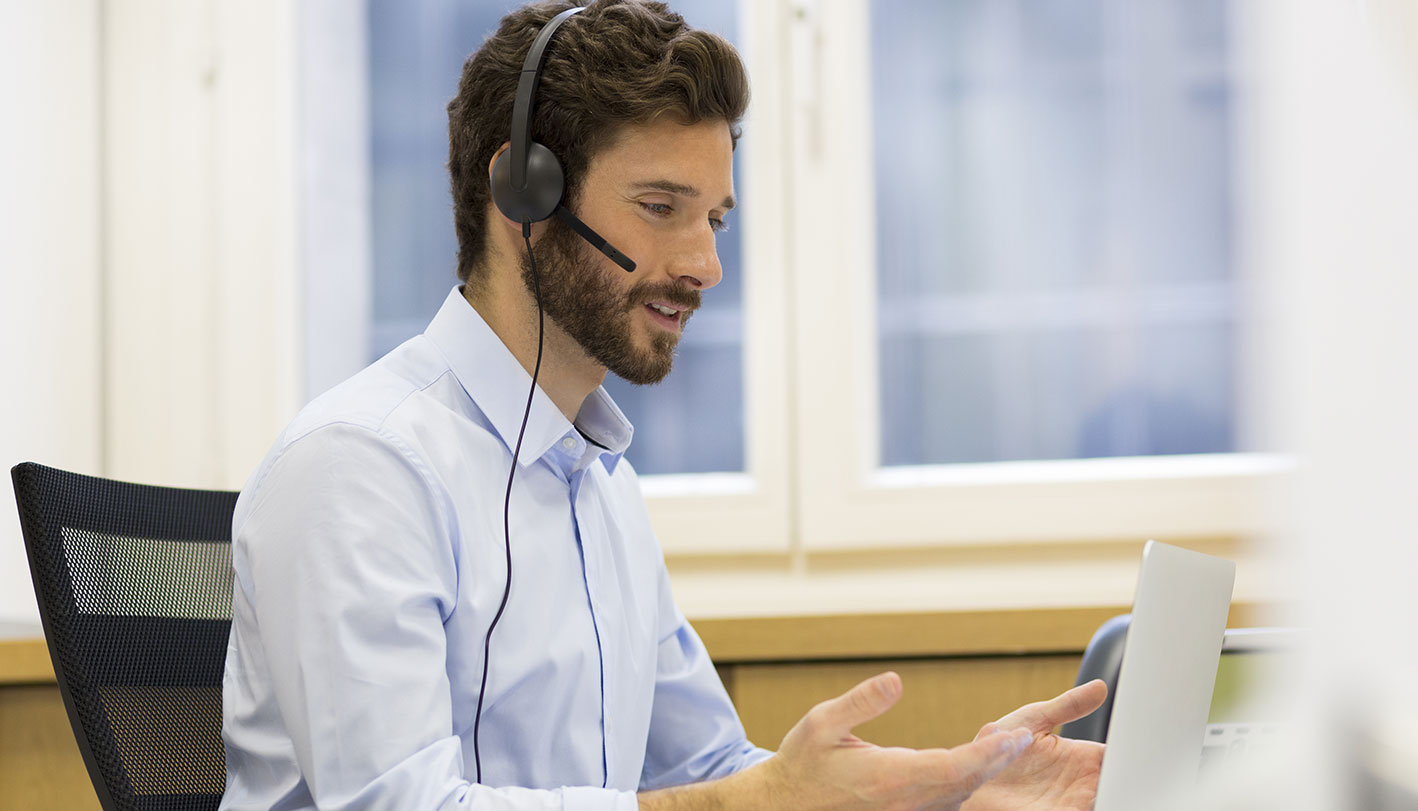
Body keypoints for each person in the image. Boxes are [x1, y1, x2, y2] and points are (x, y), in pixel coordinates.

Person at [219, 1, 1107, 809]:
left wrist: (954, 791)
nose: (703, 264)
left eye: (714, 219)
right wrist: (747, 802)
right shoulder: (361, 468)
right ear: (522, 192)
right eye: (659, 206)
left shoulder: (599, 485)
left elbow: (712, 769)